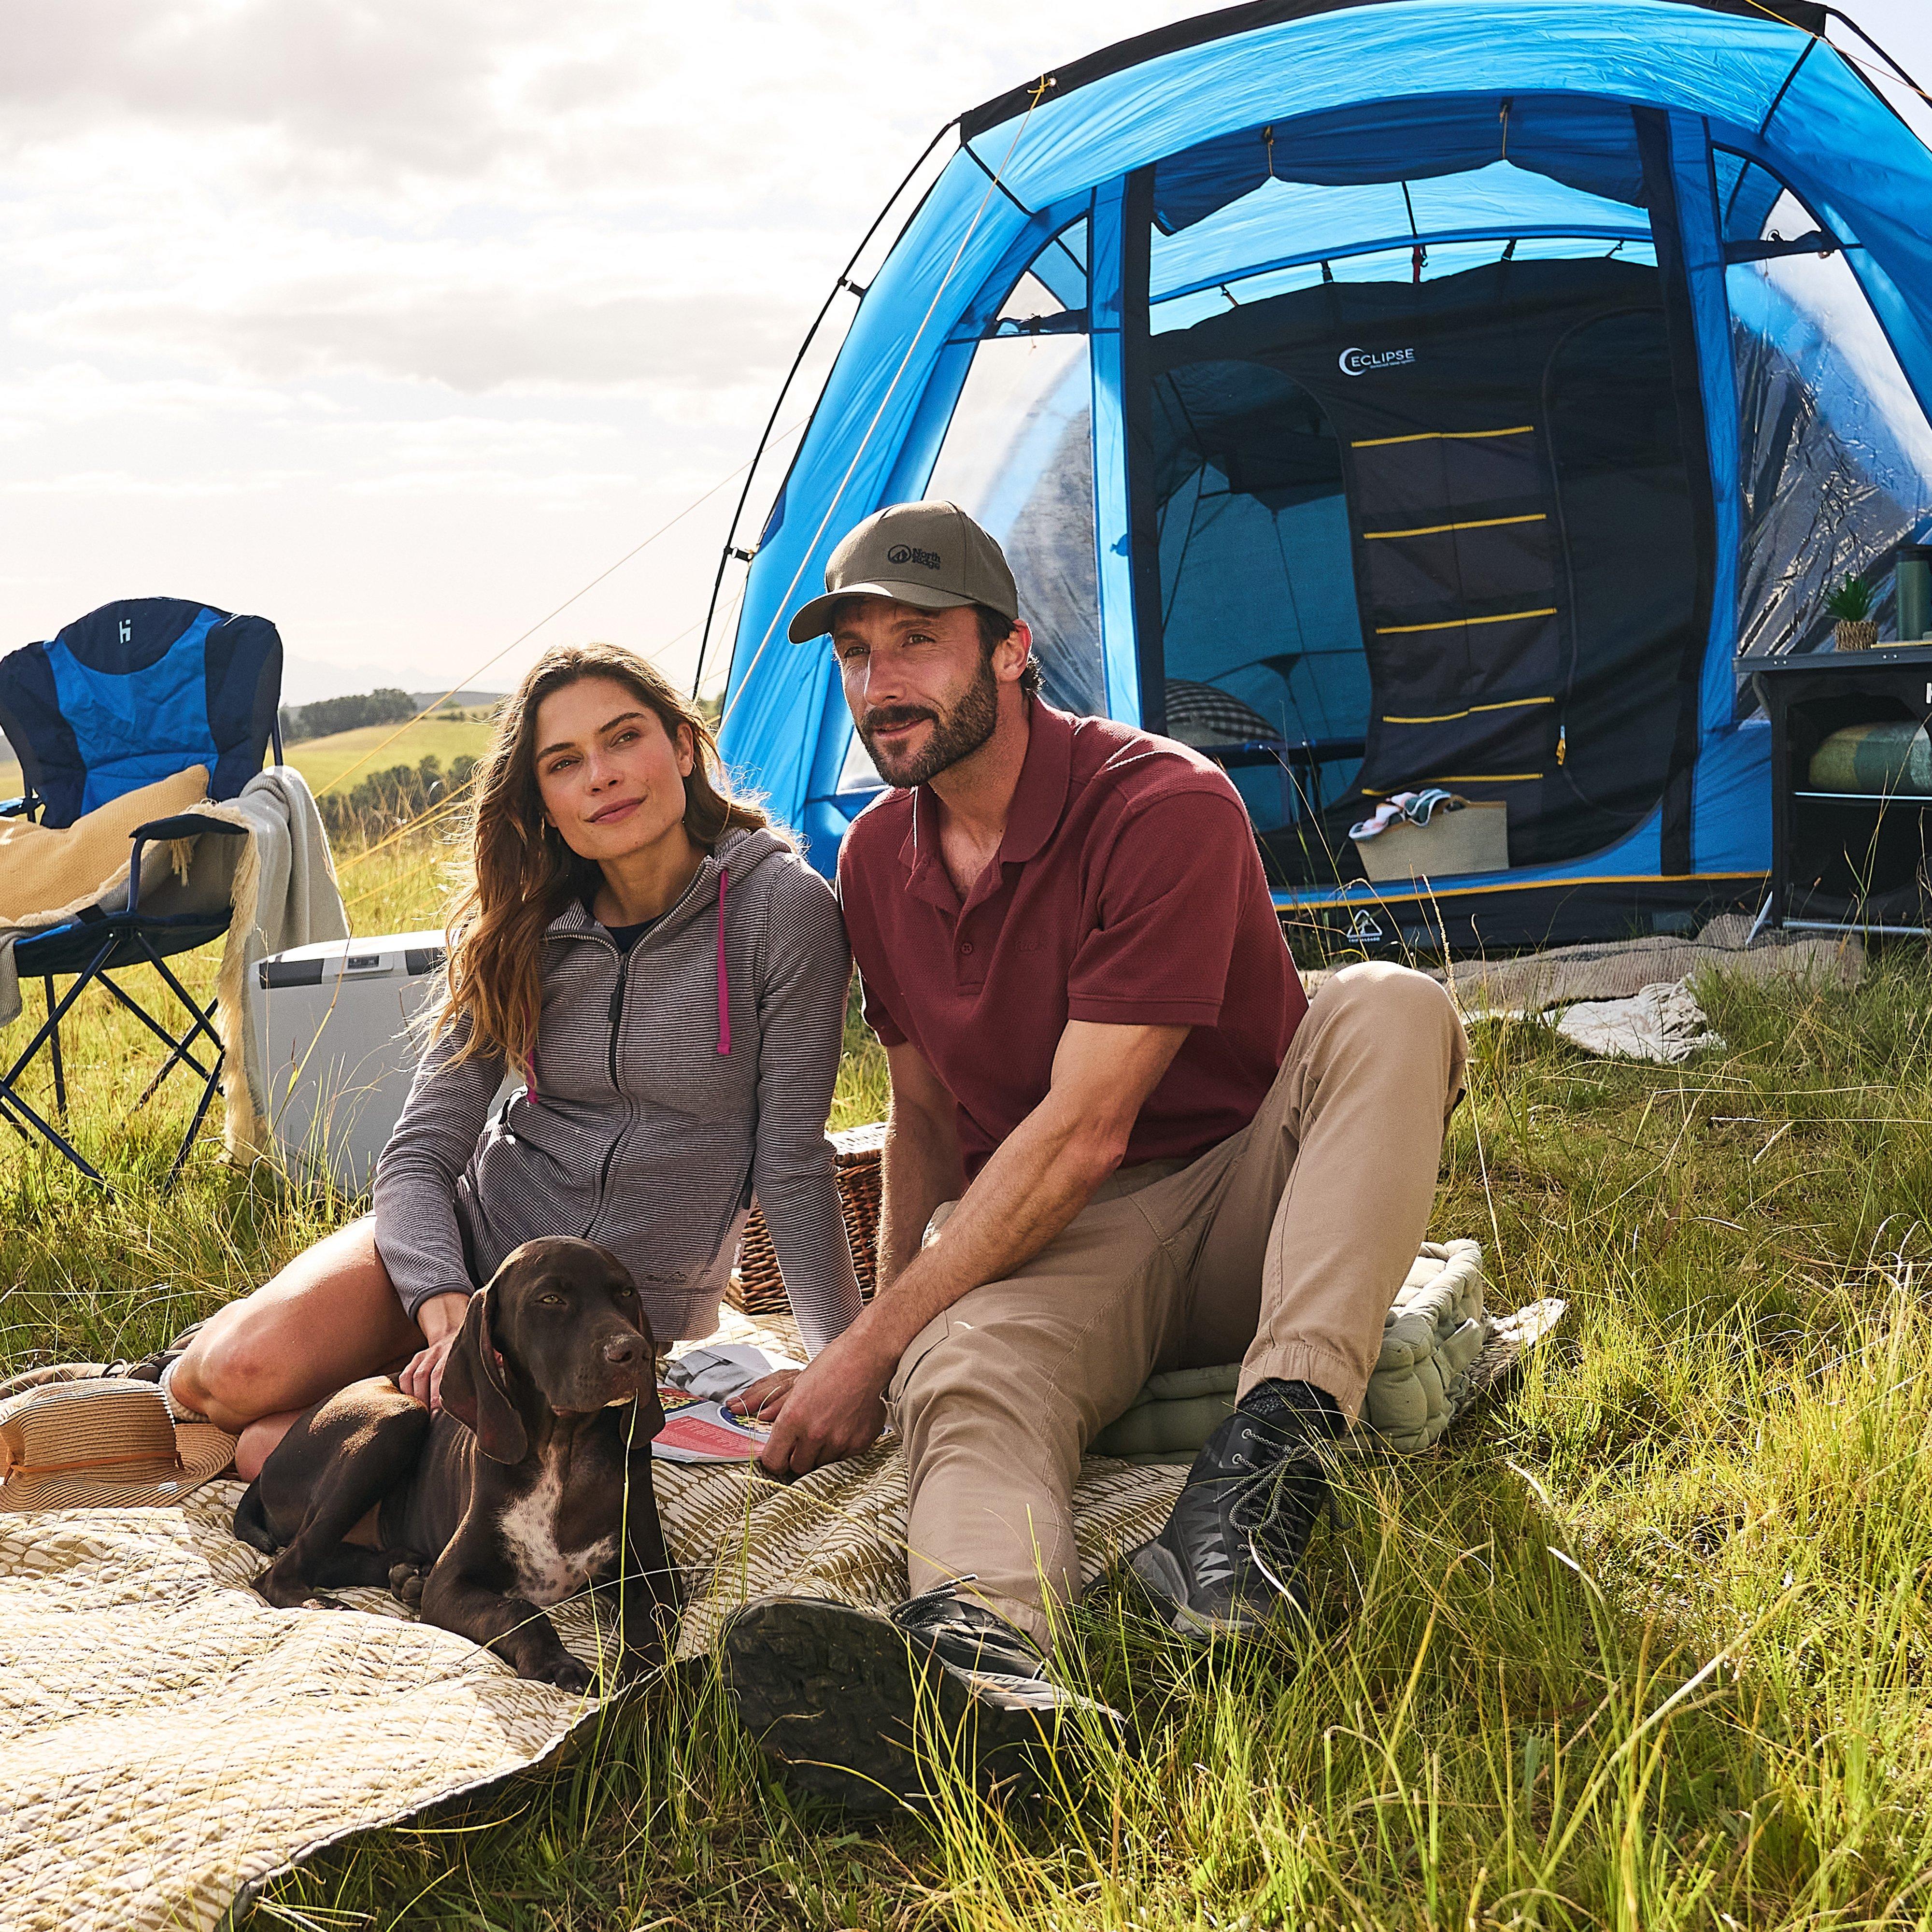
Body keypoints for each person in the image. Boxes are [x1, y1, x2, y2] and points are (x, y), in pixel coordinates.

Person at [720, 502, 1468, 1798]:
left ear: (1010, 650)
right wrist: (886, 1355)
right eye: (854, 656)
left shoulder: (1158, 802)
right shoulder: (880, 860)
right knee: (961, 1355)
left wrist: (863, 1344)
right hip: (1073, 1245)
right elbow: (925, 1124)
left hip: (1254, 1188)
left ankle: (1258, 1492)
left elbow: (1083, 1128)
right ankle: (986, 1671)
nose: (878, 682)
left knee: (1390, 1008)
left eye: (916, 640)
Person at [80, 641, 861, 1476]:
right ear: (545, 804)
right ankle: (206, 1357)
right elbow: (419, 1156)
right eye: (565, 763)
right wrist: (444, 1307)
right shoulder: (522, 925)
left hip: (591, 1307)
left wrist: (843, 1359)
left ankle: (338, 1399)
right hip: (465, 1238)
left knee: (275, 1449)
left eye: (624, 738)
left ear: (681, 747)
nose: (601, 775)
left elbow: (791, 1166)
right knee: (228, 1380)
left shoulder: (786, 909)